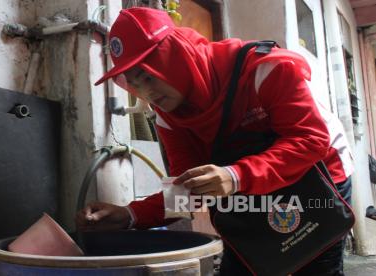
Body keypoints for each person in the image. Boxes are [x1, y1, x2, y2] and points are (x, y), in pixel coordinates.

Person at [76, 7, 354, 276]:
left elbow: (310, 139)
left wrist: (235, 175)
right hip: (247, 189)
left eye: (150, 76)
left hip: (319, 176)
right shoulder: (170, 116)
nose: (147, 92)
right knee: (247, 264)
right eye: (135, 83)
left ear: (176, 57)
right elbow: (187, 192)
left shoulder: (265, 69)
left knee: (315, 263)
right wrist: (129, 214)